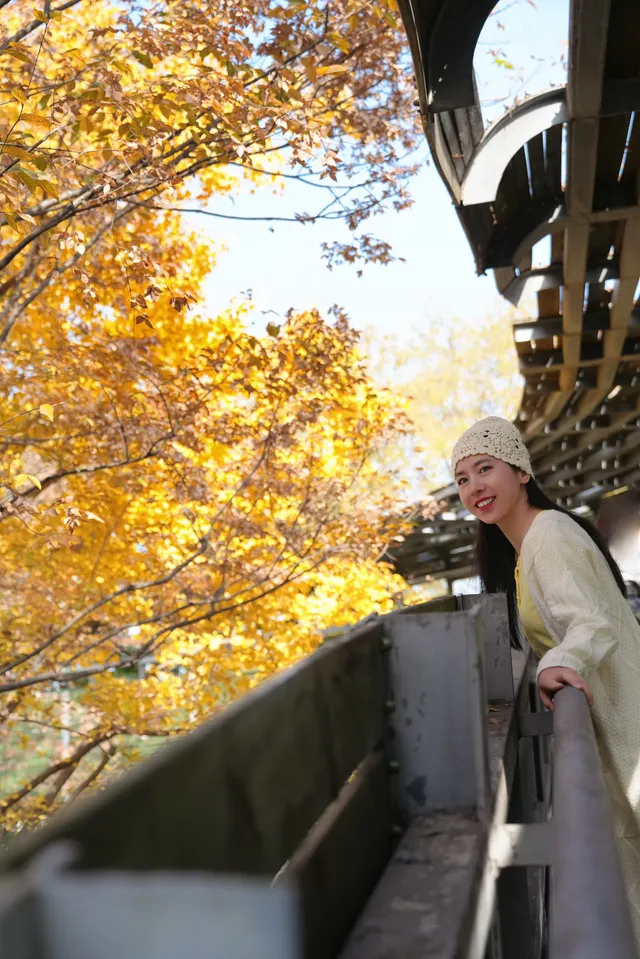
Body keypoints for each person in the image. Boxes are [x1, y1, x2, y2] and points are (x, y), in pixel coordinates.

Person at [451, 415, 640, 941]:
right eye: (463, 479)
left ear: (521, 470)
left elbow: (591, 620)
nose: (474, 487)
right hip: (614, 719)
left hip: (630, 715)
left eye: (485, 469)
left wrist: (564, 660)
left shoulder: (549, 534)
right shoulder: (523, 549)